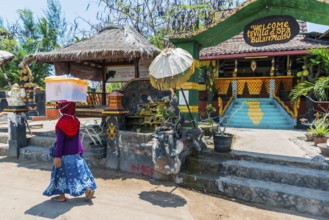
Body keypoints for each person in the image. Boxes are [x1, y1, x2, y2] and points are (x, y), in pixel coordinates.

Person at [43, 101, 96, 202]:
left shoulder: (61, 123)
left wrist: (57, 156)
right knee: (80, 173)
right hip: (75, 152)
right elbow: (77, 138)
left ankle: (61, 196)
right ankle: (88, 190)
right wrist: (80, 150)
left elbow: (60, 142)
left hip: (63, 155)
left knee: (59, 174)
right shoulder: (75, 120)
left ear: (63, 108)